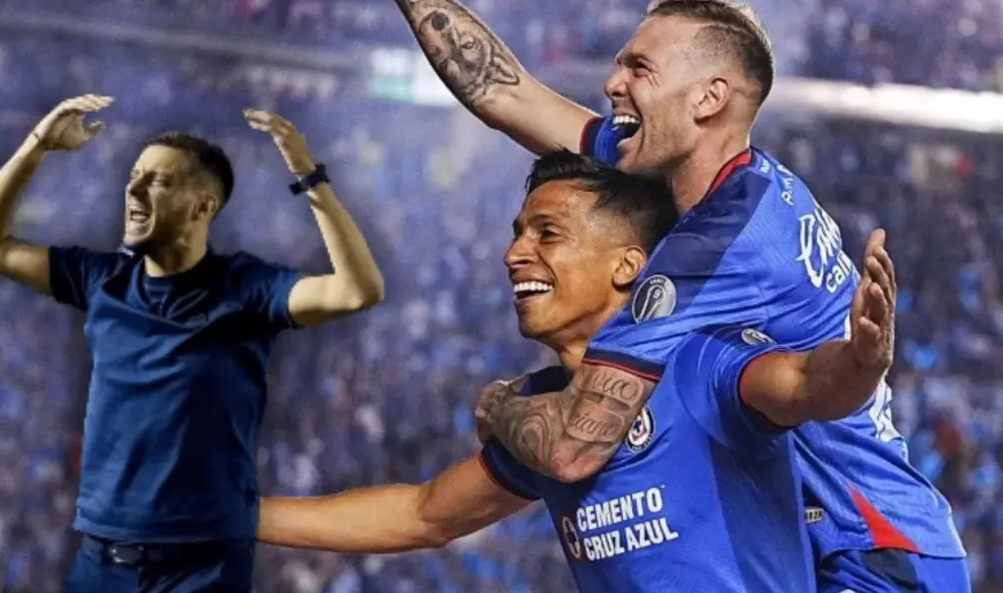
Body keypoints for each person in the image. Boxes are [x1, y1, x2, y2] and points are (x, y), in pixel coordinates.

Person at [390, 0, 968, 590]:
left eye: (640, 68)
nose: (613, 83)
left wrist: (498, 405)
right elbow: (506, 95)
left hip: (874, 553)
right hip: (835, 545)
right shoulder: (700, 177)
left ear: (708, 99)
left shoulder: (721, 238)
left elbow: (573, 445)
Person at [257, 151, 897, 592]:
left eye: (547, 233)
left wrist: (860, 359)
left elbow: (808, 383)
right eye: (518, 233)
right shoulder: (546, 411)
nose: (514, 253)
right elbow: (424, 515)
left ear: (628, 266)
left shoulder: (701, 360)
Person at [0, 95, 385, 592]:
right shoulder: (102, 280)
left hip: (203, 568)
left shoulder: (246, 289)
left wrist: (309, 176)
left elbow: (358, 290)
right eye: (133, 177)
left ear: (203, 205)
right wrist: (36, 146)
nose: (133, 190)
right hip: (102, 562)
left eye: (157, 181)